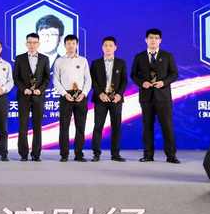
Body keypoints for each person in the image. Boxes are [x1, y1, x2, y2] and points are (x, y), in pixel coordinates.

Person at [130, 28, 180, 164]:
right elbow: (133, 74)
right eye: (151, 38)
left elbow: (174, 74)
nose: (153, 40)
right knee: (147, 127)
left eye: (156, 38)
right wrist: (142, 83)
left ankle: (171, 156)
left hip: (163, 97)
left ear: (160, 40)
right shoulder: (139, 57)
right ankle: (148, 155)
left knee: (167, 127)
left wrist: (163, 82)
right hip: (146, 97)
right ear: (146, 40)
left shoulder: (167, 55)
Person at [53, 34, 91, 162]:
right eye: (68, 43)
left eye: (73, 43)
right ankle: (64, 154)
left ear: (77, 45)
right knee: (64, 127)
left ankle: (79, 154)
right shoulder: (59, 61)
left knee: (80, 127)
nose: (71, 45)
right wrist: (64, 93)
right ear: (64, 45)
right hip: (66, 96)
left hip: (80, 96)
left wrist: (83, 93)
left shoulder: (83, 61)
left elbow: (88, 79)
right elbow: (55, 80)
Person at [13, 33, 50, 161]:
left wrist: (40, 89)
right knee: (23, 126)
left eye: (35, 42)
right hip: (24, 97)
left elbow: (47, 78)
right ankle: (23, 153)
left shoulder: (44, 59)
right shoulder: (20, 58)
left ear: (38, 44)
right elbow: (16, 77)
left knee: (37, 127)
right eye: (30, 42)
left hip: (38, 97)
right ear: (26, 44)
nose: (32, 45)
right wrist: (24, 89)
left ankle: (36, 153)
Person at [89, 36, 127, 162]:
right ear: (102, 47)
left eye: (111, 45)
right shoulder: (96, 63)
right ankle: (96, 154)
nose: (108, 48)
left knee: (116, 127)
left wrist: (119, 95)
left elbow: (124, 80)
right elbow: (92, 80)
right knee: (98, 127)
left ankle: (115, 154)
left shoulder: (121, 63)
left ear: (115, 47)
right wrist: (100, 93)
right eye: (105, 45)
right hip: (101, 99)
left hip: (116, 100)